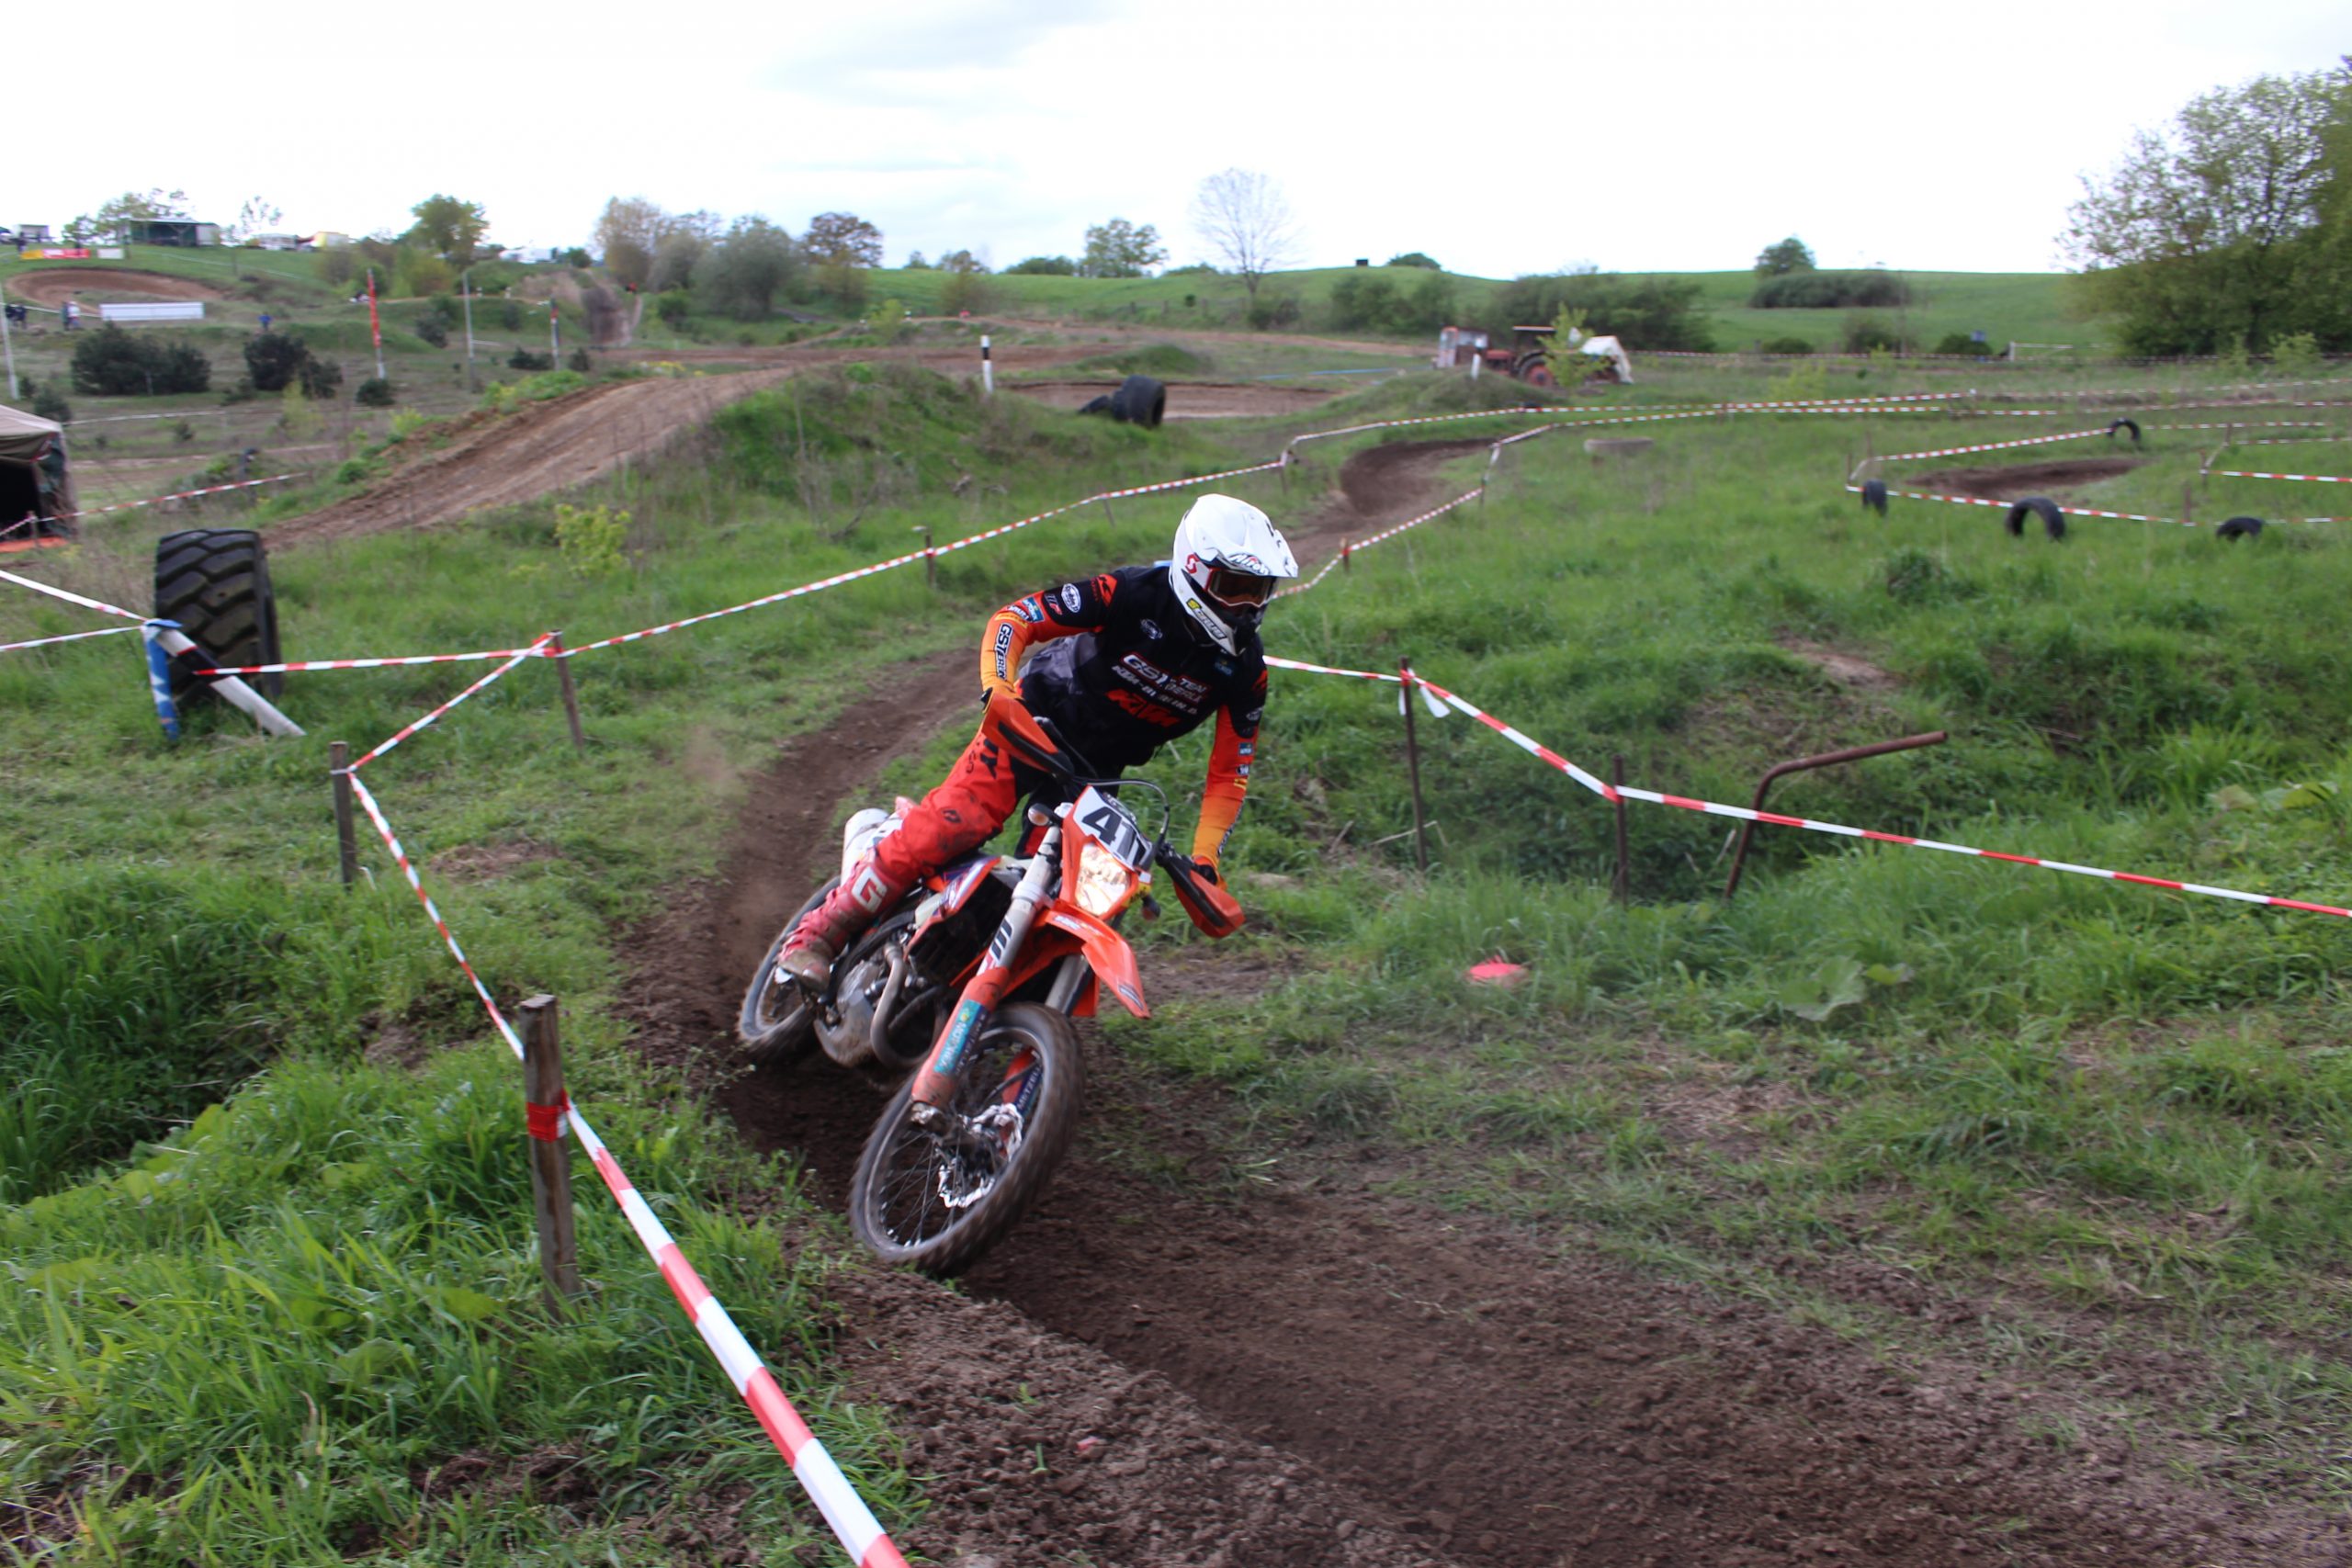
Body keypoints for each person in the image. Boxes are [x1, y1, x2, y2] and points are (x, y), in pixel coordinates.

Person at [778, 492, 1297, 986]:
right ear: (1194, 570)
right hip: (1034, 722)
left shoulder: (1245, 671)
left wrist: (1206, 858)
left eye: (1260, 591)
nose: (1249, 606)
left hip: (1097, 775)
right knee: (955, 822)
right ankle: (817, 935)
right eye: (1236, 586)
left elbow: (1230, 771)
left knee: (1062, 897)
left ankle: (973, 996)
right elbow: (1017, 618)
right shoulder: (1133, 594)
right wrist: (998, 688)